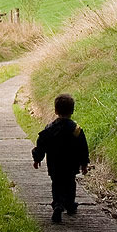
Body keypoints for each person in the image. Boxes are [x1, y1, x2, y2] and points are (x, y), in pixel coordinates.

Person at [32, 93, 90, 223]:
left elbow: (41, 144)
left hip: (54, 163)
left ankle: (57, 204)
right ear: (72, 111)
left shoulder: (49, 129)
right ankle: (70, 205)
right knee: (70, 183)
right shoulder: (76, 130)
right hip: (70, 164)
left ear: (56, 110)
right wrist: (84, 164)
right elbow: (83, 147)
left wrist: (37, 158)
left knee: (56, 183)